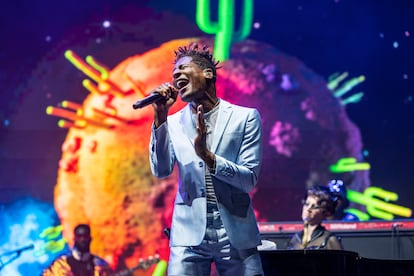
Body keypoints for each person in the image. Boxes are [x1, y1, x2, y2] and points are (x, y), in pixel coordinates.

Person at [148, 43, 264, 275]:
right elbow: (161, 170)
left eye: (183, 68)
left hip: (235, 231)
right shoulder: (171, 123)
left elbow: (249, 179)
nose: (176, 75)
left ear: (208, 73)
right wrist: (160, 117)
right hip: (188, 234)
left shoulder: (245, 118)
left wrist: (208, 157)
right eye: (174, 74)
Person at [42, 224, 113, 276]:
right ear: (74, 239)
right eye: (79, 236)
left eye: (85, 236)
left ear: (90, 239)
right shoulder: (60, 265)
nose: (82, 240)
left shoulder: (101, 266)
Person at [287, 186, 343, 250]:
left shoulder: (329, 239)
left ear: (325, 212)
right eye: (307, 204)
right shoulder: (295, 239)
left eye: (314, 207)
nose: (308, 209)